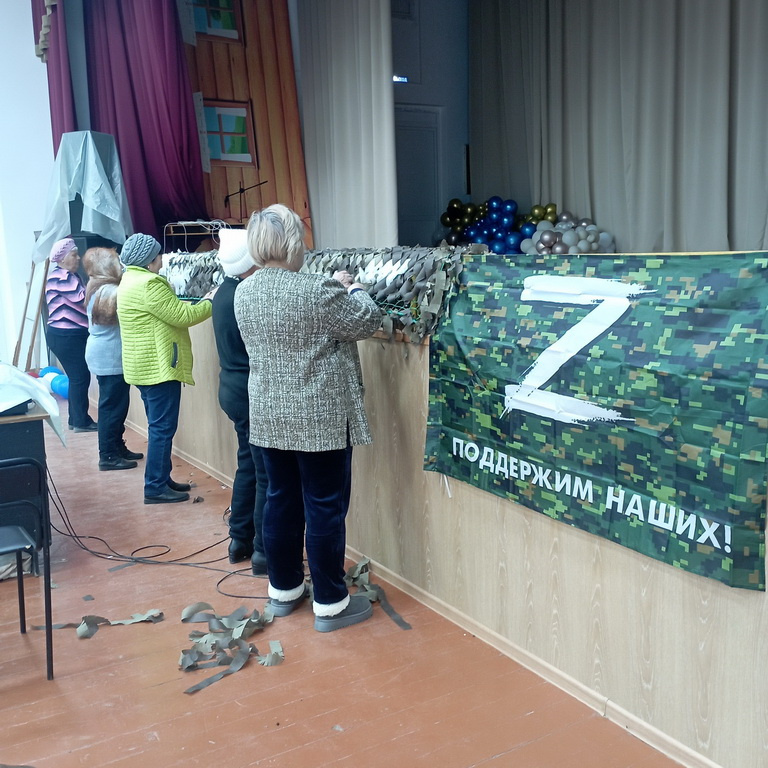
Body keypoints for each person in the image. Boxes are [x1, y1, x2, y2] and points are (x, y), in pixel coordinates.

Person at [234, 204, 383, 632]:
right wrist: (354, 288)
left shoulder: (245, 291)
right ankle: (331, 603)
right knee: (324, 507)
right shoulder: (317, 289)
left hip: (268, 415)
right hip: (319, 420)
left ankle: (283, 590)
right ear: (292, 244)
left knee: (280, 501)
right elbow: (367, 320)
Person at [116, 233, 213, 504]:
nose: (161, 260)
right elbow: (183, 316)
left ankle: (161, 478)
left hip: (143, 368)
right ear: (149, 261)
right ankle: (155, 487)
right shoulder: (149, 284)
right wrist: (211, 301)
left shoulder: (128, 280)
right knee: (162, 429)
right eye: (158, 256)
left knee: (158, 427)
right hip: (159, 369)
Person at [211, 228, 269, 574]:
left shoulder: (224, 291)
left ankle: (240, 539)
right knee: (264, 475)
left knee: (248, 466)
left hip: (232, 387)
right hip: (248, 391)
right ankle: (262, 550)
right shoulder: (244, 296)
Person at [82, 247, 144, 471]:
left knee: (117, 405)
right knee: (112, 408)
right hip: (109, 356)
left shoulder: (96, 286)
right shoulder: (109, 291)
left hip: (105, 353)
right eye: (116, 261)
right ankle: (108, 455)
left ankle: (117, 447)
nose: (121, 265)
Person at [44, 237, 97, 431]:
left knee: (78, 377)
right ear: (62, 259)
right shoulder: (63, 277)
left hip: (67, 335)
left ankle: (77, 419)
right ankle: (80, 421)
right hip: (66, 335)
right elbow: (83, 299)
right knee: (79, 377)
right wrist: (100, 279)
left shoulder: (68, 276)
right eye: (74, 255)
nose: (78, 258)